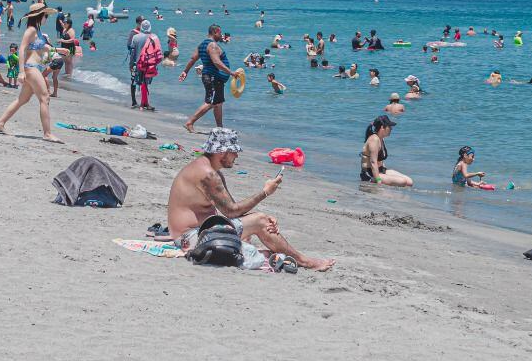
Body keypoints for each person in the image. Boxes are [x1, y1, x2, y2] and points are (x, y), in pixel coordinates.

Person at [166, 128, 334, 271]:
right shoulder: (208, 174)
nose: (237, 156)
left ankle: (276, 247)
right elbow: (232, 211)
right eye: (234, 151)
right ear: (222, 152)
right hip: (191, 238)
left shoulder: (207, 169)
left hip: (194, 233)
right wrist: (265, 193)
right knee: (260, 221)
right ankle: (305, 262)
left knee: (259, 223)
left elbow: (232, 211)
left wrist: (256, 217)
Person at [0, 2, 61, 142]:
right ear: (39, 16)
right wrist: (21, 72)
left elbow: (39, 47)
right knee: (45, 98)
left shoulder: (37, 30)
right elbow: (22, 49)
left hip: (35, 68)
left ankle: (0, 124)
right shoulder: (31, 30)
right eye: (45, 15)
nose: (47, 18)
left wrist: (56, 50)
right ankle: (47, 133)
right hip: (30, 68)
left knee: (22, 99)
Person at [179, 24, 233, 132]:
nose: (221, 35)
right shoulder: (212, 45)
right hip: (213, 77)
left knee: (218, 103)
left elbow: (193, 59)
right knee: (211, 102)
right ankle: (190, 122)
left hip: (212, 77)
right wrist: (231, 73)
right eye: (220, 33)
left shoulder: (202, 44)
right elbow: (217, 62)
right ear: (215, 32)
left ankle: (220, 128)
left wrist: (185, 71)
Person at [361, 114, 412, 187]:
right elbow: (373, 162)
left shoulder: (381, 138)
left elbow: (380, 160)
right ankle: (373, 181)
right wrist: (378, 180)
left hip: (381, 170)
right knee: (402, 182)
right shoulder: (374, 139)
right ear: (382, 127)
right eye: (389, 127)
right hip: (370, 173)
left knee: (409, 181)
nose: (391, 129)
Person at [130, 19, 162, 111]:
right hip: (150, 64)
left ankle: (143, 103)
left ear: (141, 27)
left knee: (140, 82)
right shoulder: (154, 37)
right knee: (146, 83)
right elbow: (158, 51)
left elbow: (132, 52)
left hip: (138, 63)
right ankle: (143, 104)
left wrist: (131, 64)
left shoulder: (136, 37)